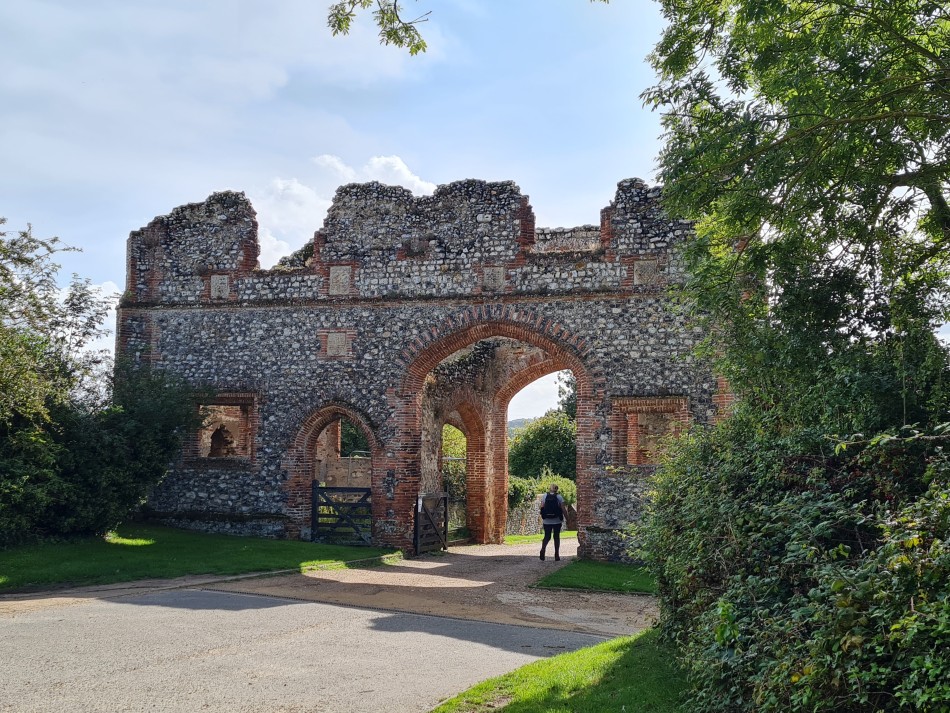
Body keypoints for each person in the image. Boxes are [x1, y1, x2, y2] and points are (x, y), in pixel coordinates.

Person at [538, 483, 568, 561]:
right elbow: (563, 509)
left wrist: (543, 516)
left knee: (547, 536)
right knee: (556, 537)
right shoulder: (559, 497)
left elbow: (542, 507)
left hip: (547, 520)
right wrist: (567, 518)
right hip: (557, 520)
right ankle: (556, 554)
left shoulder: (544, 496)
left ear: (549, 489)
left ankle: (543, 548)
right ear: (556, 489)